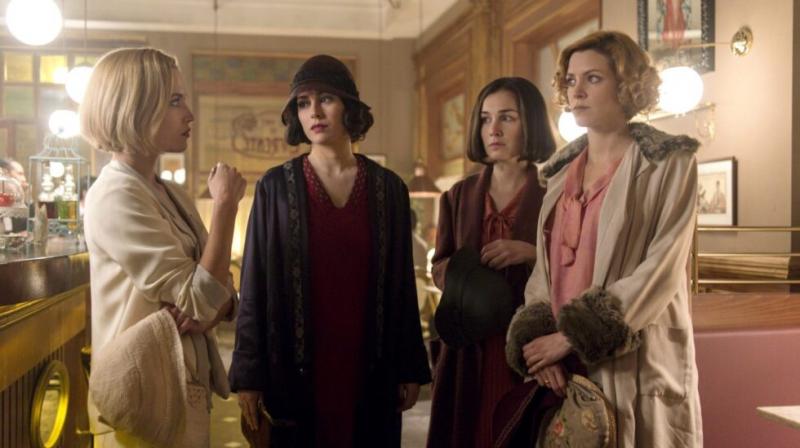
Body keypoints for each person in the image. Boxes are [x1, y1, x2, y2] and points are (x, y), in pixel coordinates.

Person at [505, 30, 702, 446]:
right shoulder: (558, 173)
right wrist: (540, 347)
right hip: (562, 362)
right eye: (570, 80)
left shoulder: (670, 163)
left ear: (627, 84)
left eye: (592, 79)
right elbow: (544, 273)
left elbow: (663, 269)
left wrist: (571, 337)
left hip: (632, 356)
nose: (576, 91)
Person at [229, 54, 431, 447]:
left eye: (326, 99)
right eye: (303, 103)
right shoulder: (274, 188)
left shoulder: (389, 189)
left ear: (348, 107)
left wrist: (410, 366)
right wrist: (249, 376)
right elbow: (254, 287)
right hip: (295, 366)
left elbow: (401, 286)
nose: (315, 112)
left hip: (369, 363)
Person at [81, 47, 246, 447]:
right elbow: (202, 297)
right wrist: (225, 205)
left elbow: (218, 293)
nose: (189, 114)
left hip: (182, 389)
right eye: (174, 101)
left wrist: (216, 301)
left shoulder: (168, 192)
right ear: (134, 108)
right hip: (143, 397)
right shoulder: (116, 194)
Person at [426, 77, 555, 448]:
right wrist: (467, 277)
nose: (493, 130)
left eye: (507, 118)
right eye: (485, 119)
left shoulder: (555, 192)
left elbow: (576, 267)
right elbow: (440, 266)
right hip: (467, 346)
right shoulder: (458, 195)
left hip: (529, 344)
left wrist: (531, 252)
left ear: (531, 122)